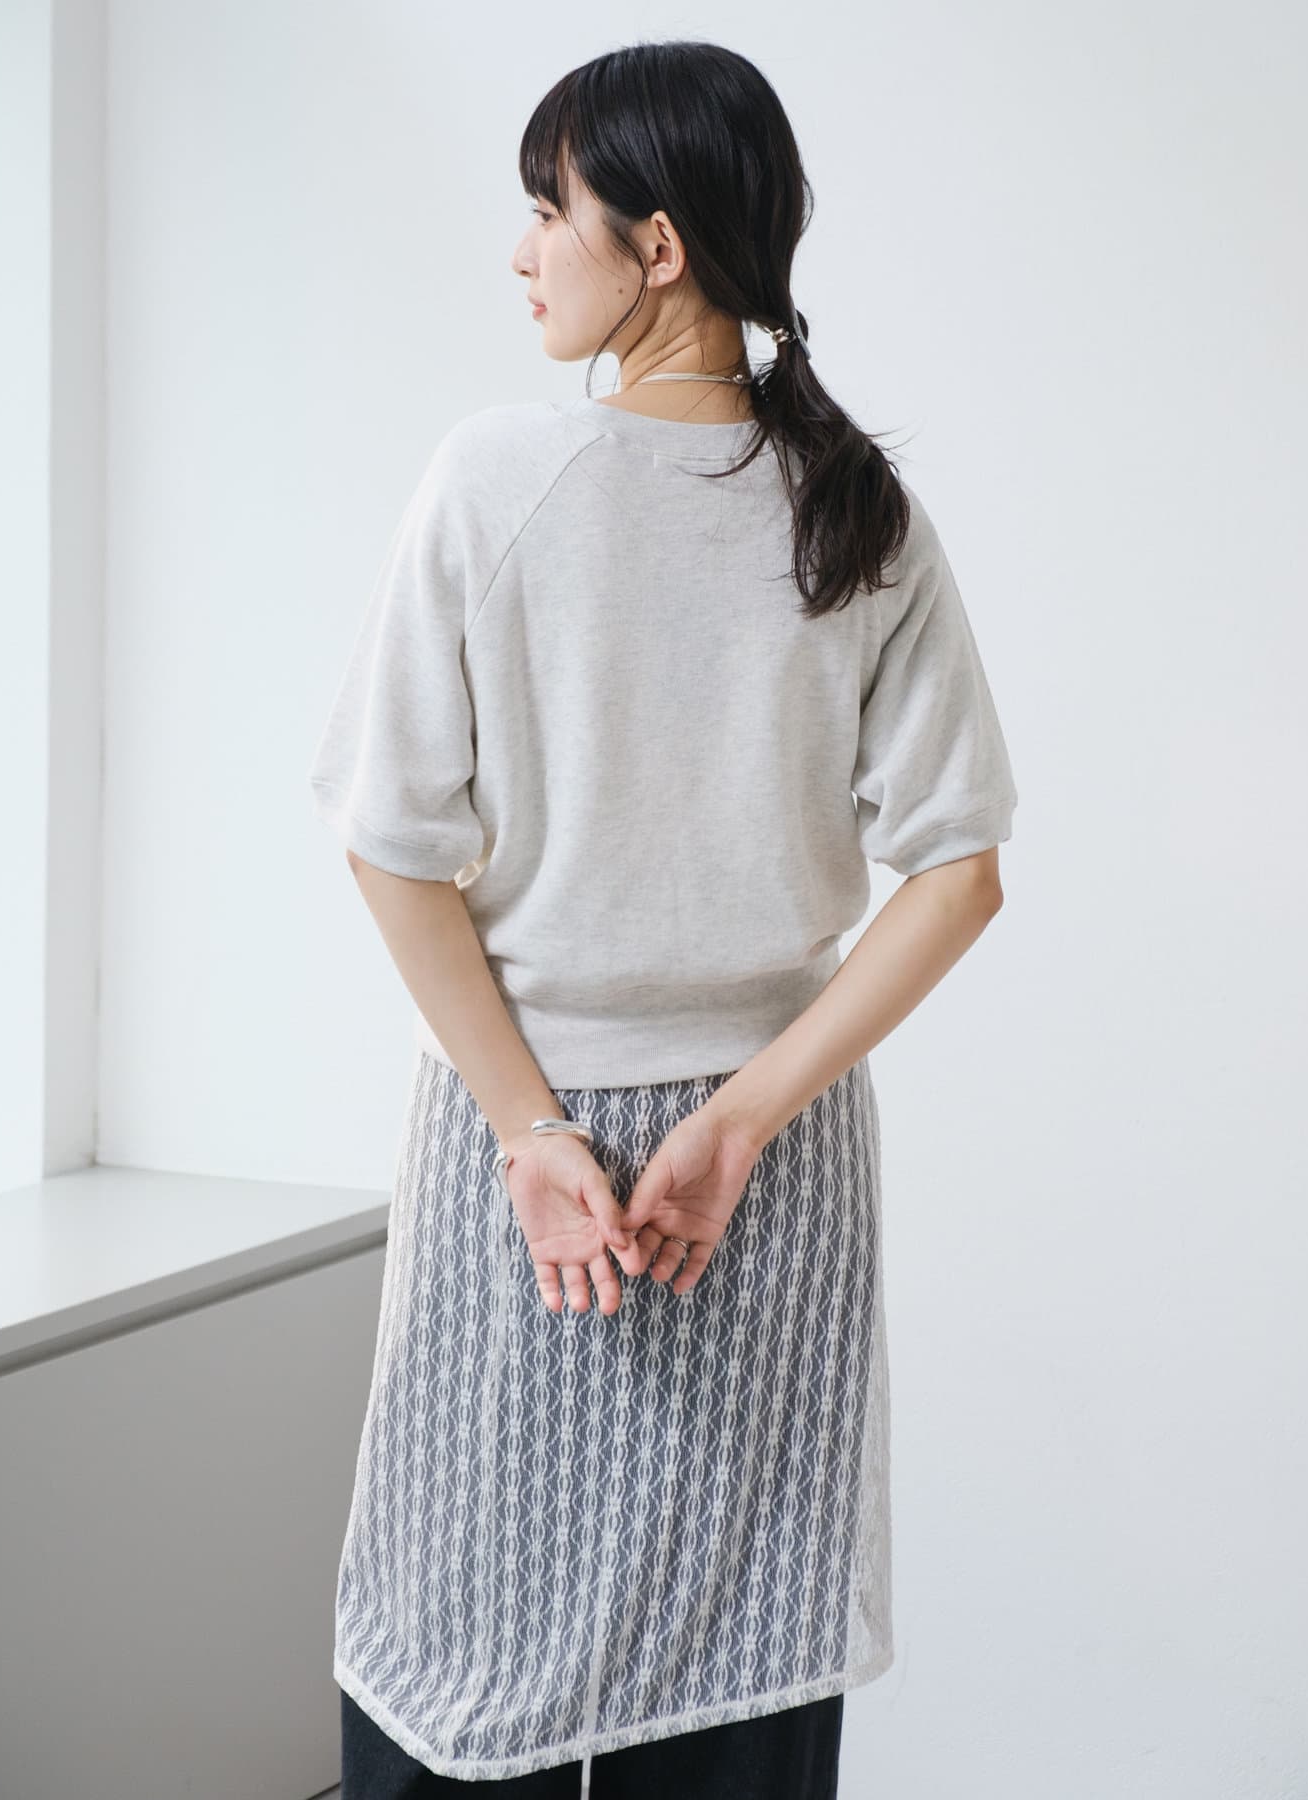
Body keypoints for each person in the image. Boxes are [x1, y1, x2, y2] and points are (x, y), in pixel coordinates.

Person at [308, 38, 1018, 1800]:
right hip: (762, 1166)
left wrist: (535, 1129)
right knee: (739, 1701)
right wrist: (749, 1113)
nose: (524, 250)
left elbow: (393, 849)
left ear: (660, 244)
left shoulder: (497, 477)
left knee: (456, 1678)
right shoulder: (855, 507)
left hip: (524, 1156)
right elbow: (961, 873)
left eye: (548, 209)